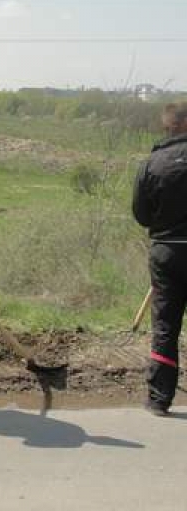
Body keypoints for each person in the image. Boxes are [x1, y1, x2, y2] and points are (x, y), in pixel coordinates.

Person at [132, 101, 187, 417]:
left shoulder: (151, 163)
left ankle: (159, 398)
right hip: (169, 247)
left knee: (165, 325)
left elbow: (141, 214)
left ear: (168, 127)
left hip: (166, 251)